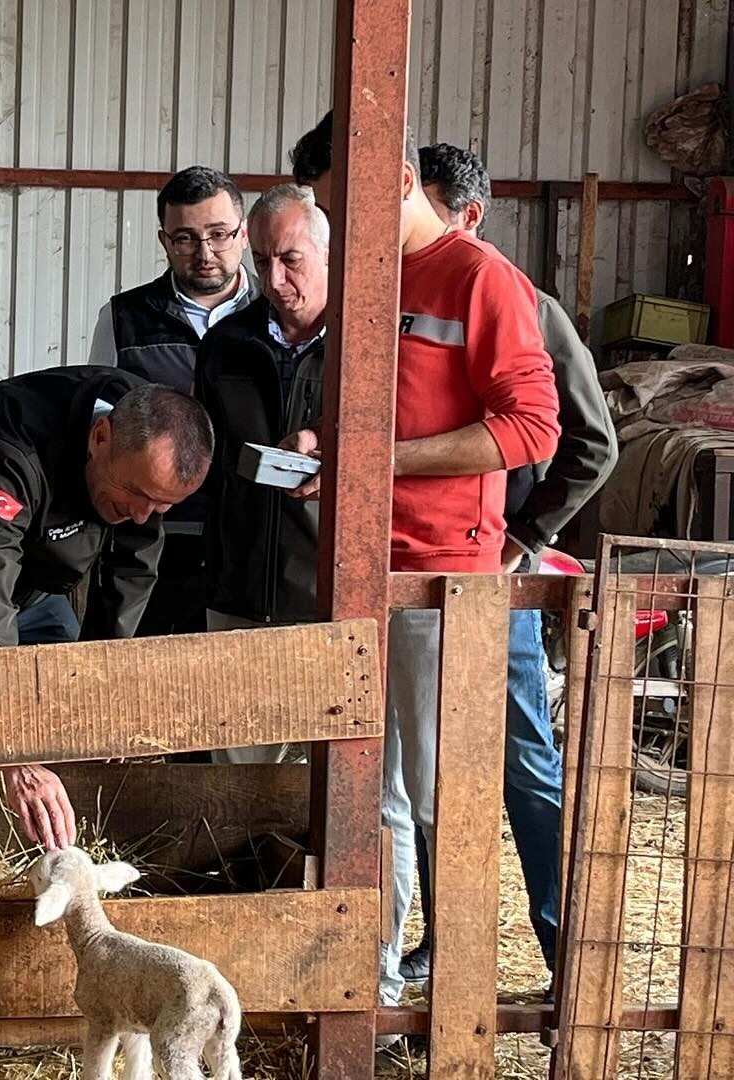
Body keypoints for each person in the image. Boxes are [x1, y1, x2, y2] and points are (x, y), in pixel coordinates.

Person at [288, 114, 561, 1006]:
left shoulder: (483, 279)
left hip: (443, 571)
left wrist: (379, 460)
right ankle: (380, 970)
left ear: (400, 178)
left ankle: (462, 978)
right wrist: (324, 452)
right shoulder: (368, 281)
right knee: (377, 788)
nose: (345, 229)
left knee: (443, 789)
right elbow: (378, 412)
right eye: (331, 214)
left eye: (352, 207)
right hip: (362, 561)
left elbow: (531, 429)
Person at [394, 143, 617, 989]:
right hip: (426, 561)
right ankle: (442, 947)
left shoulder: (515, 297)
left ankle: (566, 953)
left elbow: (591, 441)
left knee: (522, 759)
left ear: (464, 215)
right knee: (424, 763)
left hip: (492, 567)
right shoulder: (392, 290)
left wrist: (523, 535)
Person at [0, 367, 214, 849]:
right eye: (136, 495)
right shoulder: (10, 445)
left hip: (36, 583)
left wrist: (101, 686)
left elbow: (133, 570)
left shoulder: (143, 441)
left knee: (63, 711)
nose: (141, 515)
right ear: (100, 436)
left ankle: (54, 843)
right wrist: (11, 751)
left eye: (162, 505)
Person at [194, 183, 330, 763]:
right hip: (238, 594)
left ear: (329, 254)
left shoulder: (367, 346)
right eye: (263, 261)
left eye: (291, 260)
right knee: (237, 778)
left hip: (327, 598)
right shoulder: (226, 344)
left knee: (324, 779)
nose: (274, 281)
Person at [88, 167, 253, 637]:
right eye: (186, 238)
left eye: (219, 235)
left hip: (246, 542)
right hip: (152, 539)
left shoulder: (273, 316)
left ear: (242, 234)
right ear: (164, 241)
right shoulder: (124, 319)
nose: (205, 253)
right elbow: (102, 424)